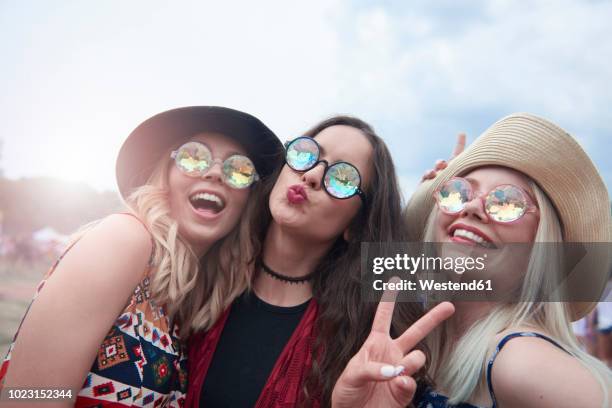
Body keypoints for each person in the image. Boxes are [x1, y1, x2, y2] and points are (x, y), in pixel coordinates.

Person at [0, 106, 283, 407]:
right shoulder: (125, 239)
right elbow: (25, 398)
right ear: (166, 175)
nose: (214, 173)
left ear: (248, 199)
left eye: (238, 169)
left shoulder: (188, 303)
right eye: (194, 156)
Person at [338, 113, 611, 407]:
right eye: (459, 191)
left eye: (506, 201)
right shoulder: (429, 349)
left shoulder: (520, 361)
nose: (471, 207)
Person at [186, 115, 454, 407]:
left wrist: (449, 205)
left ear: (356, 224)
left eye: (343, 179)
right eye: (306, 154)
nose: (312, 174)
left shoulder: (361, 340)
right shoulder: (198, 273)